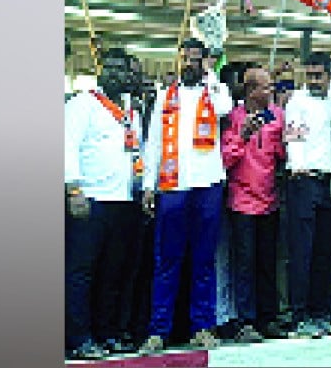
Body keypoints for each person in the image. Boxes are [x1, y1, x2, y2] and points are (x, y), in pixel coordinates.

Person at [140, 38, 234, 353]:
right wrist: (149, 185)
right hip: (172, 185)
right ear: (179, 60)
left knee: (204, 259)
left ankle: (202, 327)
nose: (190, 64)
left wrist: (212, 73)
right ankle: (159, 330)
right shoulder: (165, 96)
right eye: (187, 59)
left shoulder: (214, 93)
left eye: (196, 59)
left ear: (204, 61)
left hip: (207, 184)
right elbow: (153, 142)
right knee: (167, 260)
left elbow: (226, 108)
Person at [65, 48, 144, 360]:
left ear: (128, 74)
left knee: (112, 273)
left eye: (120, 69)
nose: (113, 74)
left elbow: (134, 151)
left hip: (123, 201)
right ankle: (77, 337)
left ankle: (106, 333)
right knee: (81, 272)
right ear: (100, 72)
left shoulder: (130, 109)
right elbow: (67, 145)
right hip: (90, 200)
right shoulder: (82, 104)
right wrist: (73, 190)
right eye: (108, 68)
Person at [220, 66, 286, 343]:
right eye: (266, 88)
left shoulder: (277, 116)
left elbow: (282, 154)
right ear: (250, 91)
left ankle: (267, 317)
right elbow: (224, 160)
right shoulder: (232, 118)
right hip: (242, 201)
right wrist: (242, 136)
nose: (271, 92)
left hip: (269, 200)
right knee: (244, 264)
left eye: (271, 87)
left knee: (267, 262)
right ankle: (245, 320)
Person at [283, 52, 331, 338]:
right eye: (311, 75)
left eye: (319, 75)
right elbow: (293, 138)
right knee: (301, 251)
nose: (314, 80)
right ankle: (299, 314)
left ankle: (319, 312)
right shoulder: (297, 102)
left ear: (329, 76)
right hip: (304, 180)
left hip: (328, 183)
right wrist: (298, 168)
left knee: (323, 250)